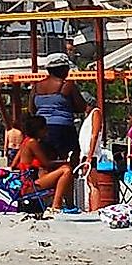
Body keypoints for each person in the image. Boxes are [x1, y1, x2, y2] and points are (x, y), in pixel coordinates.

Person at [27, 53, 88, 211]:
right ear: (61, 69)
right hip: (63, 128)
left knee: (46, 165)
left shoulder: (36, 86)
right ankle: (67, 201)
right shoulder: (67, 85)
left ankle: (47, 199)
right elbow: (81, 106)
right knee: (72, 162)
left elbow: (31, 109)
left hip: (42, 128)